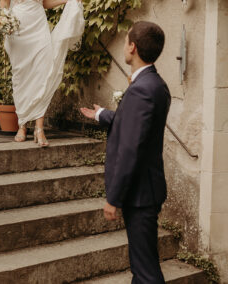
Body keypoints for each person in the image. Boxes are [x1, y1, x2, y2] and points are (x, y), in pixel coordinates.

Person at [80, 21, 171, 284]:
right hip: (147, 190)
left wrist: (114, 198)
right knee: (142, 266)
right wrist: (102, 114)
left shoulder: (142, 89)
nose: (123, 45)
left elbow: (131, 148)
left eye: (125, 40)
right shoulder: (155, 84)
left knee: (145, 272)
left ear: (132, 47)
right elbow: (136, 126)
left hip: (139, 194)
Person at [0, 0, 84, 147]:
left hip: (39, 28)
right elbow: (4, 5)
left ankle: (39, 127)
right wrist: (1, 23)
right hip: (17, 31)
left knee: (43, 73)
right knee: (21, 77)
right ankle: (22, 124)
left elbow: (44, 3)